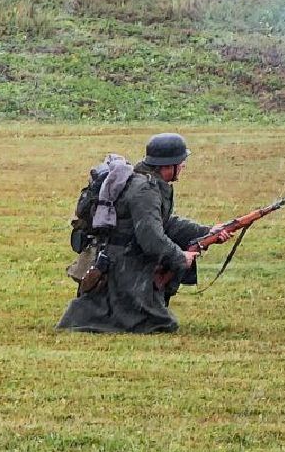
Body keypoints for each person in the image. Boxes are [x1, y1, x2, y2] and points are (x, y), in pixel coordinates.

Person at [56, 132, 231, 335]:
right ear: (168, 166)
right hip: (123, 265)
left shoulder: (145, 183)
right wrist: (180, 257)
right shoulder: (145, 190)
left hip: (120, 259)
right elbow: (151, 238)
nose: (183, 166)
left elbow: (163, 223)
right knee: (157, 323)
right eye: (181, 162)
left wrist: (207, 232)